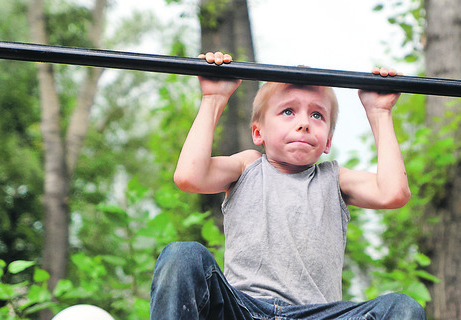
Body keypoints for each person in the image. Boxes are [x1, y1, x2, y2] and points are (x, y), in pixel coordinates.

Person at [150, 51, 426, 320]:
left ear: (328, 141)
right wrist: (213, 98)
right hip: (244, 309)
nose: (304, 123)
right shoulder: (247, 167)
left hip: (316, 314)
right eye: (288, 111)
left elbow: (393, 193)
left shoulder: (334, 179)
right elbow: (189, 176)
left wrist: (379, 112)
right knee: (183, 256)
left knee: (402, 307)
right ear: (259, 132)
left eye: (317, 115)